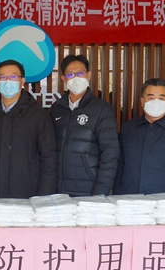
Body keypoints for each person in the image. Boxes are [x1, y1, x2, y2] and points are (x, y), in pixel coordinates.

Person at [0, 59, 57, 198]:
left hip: (27, 193)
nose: (8, 81)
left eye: (13, 77)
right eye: (3, 77)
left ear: (22, 81)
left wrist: (44, 196)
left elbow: (48, 158)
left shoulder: (38, 115)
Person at [50, 54, 119, 196]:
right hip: (58, 189)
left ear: (89, 75)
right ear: (63, 79)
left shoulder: (101, 109)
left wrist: (101, 191)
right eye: (70, 74)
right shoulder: (57, 108)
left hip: (89, 190)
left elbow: (110, 154)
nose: (76, 77)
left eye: (80, 73)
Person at [114, 78, 165, 194]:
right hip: (130, 198)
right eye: (151, 98)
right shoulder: (128, 128)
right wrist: (117, 196)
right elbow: (120, 166)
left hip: (164, 200)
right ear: (142, 101)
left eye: (161, 98)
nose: (156, 102)